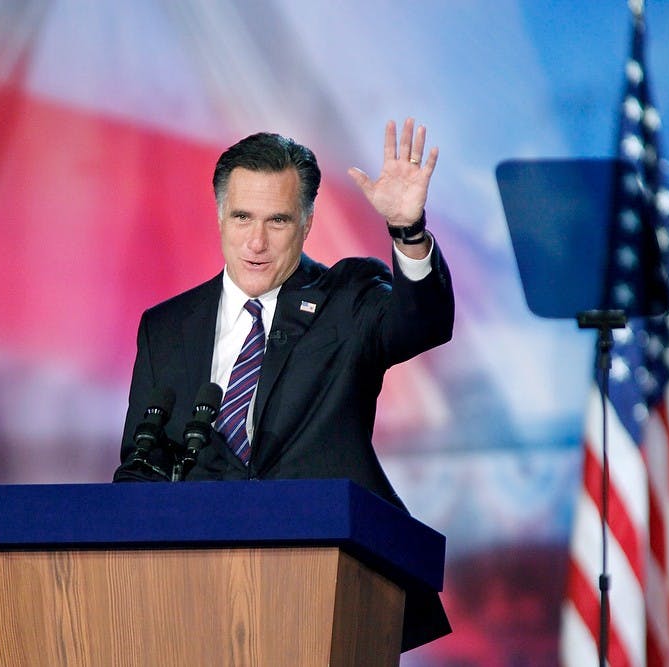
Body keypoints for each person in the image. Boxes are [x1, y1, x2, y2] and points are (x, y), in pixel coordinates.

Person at [114, 118, 454, 649]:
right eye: (242, 217)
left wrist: (408, 233)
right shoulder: (168, 327)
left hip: (335, 586)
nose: (256, 241)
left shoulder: (347, 296)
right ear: (219, 214)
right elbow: (141, 466)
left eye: (278, 220)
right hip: (196, 598)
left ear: (307, 221)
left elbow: (422, 323)